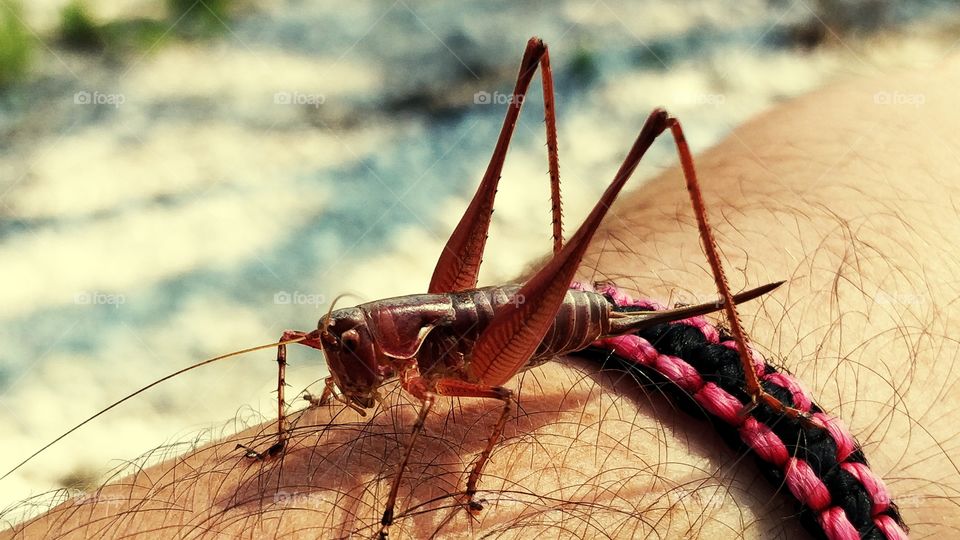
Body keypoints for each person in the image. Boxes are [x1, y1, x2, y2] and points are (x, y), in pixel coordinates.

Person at [7, 61, 957, 539]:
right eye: (341, 350)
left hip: (518, 332)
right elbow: (310, 344)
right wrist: (299, 425)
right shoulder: (350, 344)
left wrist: (458, 485)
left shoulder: (423, 368)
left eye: (348, 349)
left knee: (638, 138)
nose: (340, 356)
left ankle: (751, 371)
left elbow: (493, 397)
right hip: (501, 319)